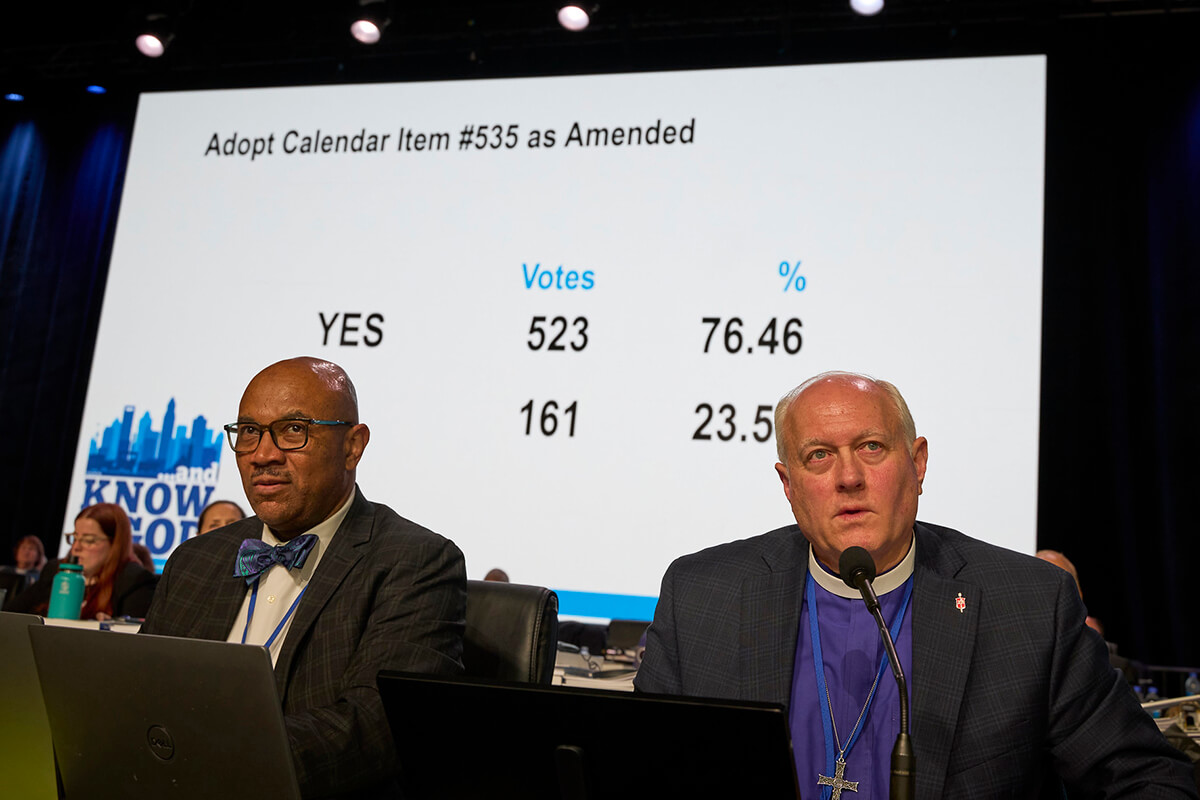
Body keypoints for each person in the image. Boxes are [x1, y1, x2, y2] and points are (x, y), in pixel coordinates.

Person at [635, 371, 1196, 798]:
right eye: (819, 456)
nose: (849, 477)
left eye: (871, 447)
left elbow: (1150, 780)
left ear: (918, 462)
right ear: (788, 483)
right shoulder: (701, 597)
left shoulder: (1028, 606)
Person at [140, 357, 466, 800]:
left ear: (353, 445)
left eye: (294, 430)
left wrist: (217, 756)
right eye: (248, 432)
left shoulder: (416, 560)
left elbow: (377, 725)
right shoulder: (196, 559)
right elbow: (139, 692)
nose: (262, 454)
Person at [9, 504, 157, 619]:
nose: (76, 547)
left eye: (88, 540)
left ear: (115, 545)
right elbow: (10, 614)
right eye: (75, 538)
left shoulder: (133, 580)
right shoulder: (56, 570)